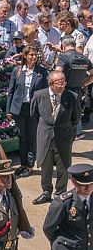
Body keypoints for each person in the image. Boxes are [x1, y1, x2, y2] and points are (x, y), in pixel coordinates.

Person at [43, 163, 93, 250]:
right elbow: (49, 228)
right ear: (73, 182)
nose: (87, 188)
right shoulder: (63, 202)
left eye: (90, 184)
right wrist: (61, 245)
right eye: (83, 184)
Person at [32, 71, 81, 205]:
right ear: (50, 84)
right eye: (59, 84)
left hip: (63, 137)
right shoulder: (39, 95)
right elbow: (35, 115)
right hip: (45, 136)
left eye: (63, 82)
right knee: (45, 167)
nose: (62, 86)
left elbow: (76, 118)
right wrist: (46, 128)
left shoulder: (72, 97)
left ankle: (60, 193)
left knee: (63, 166)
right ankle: (46, 192)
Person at [7, 45, 49, 178]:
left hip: (33, 109)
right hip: (19, 109)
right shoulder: (17, 71)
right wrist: (9, 110)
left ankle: (30, 165)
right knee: (22, 137)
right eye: (31, 54)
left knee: (32, 137)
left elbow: (45, 92)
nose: (33, 57)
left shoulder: (42, 71)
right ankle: (23, 163)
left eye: (35, 55)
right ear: (25, 56)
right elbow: (11, 91)